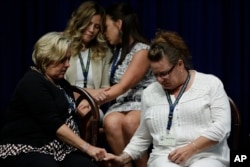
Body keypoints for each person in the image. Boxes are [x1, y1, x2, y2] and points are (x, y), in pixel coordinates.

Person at [103, 30, 231, 167]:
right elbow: (142, 137)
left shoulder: (210, 84)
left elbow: (221, 127)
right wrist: (122, 158)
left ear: (180, 65)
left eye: (164, 74)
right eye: (155, 74)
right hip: (165, 157)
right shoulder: (150, 93)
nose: (159, 80)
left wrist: (191, 148)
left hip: (207, 155)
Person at [0, 32, 107, 167]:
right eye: (63, 60)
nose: (68, 65)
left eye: (68, 59)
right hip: (27, 146)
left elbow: (66, 111)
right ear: (47, 58)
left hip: (59, 149)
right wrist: (88, 148)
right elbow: (54, 124)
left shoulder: (61, 83)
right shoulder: (32, 82)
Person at [95, 2, 155, 167]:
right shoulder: (116, 51)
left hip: (141, 102)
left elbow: (122, 87)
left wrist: (94, 100)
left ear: (119, 24)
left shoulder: (142, 50)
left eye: (106, 27)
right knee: (111, 122)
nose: (104, 33)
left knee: (130, 122)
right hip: (120, 104)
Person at [63, 1, 112, 115]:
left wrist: (90, 101)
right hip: (67, 101)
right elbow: (59, 85)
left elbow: (105, 88)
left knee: (89, 114)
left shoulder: (104, 52)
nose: (91, 30)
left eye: (96, 26)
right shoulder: (64, 45)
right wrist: (89, 93)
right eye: (88, 23)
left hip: (93, 104)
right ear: (80, 22)